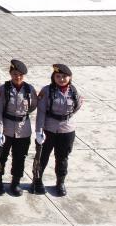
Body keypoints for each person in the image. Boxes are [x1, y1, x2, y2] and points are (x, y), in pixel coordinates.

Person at [34, 63, 83, 196]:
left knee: (62, 158)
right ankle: (37, 180)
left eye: (64, 76)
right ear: (53, 77)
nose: (61, 79)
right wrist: (39, 130)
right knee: (42, 157)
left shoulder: (73, 91)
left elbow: (78, 105)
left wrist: (67, 117)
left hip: (67, 130)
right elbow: (41, 112)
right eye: (58, 76)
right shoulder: (47, 91)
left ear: (70, 77)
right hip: (49, 129)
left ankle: (60, 182)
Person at [0, 59, 37, 196]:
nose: (18, 77)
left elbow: (33, 105)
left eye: (20, 75)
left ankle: (15, 182)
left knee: (20, 157)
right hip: (6, 128)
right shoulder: (3, 89)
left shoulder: (29, 89)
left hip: (23, 130)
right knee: (1, 156)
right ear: (10, 74)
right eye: (15, 74)